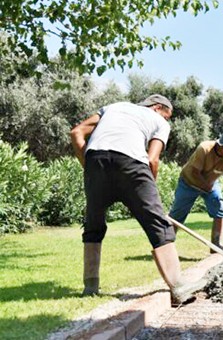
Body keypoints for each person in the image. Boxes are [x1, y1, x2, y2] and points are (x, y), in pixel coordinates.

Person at [70, 94, 201, 306]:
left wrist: (90, 167)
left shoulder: (114, 106)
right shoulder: (159, 122)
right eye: (167, 116)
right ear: (158, 108)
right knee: (158, 224)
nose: (167, 121)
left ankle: (90, 287)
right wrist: (150, 193)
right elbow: (152, 159)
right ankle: (178, 287)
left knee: (93, 223)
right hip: (131, 163)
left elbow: (76, 132)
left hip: (96, 161)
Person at [169, 131, 223, 253]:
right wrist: (206, 187)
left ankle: (216, 245)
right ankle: (166, 245)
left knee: (220, 211)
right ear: (221, 146)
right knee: (176, 216)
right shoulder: (204, 149)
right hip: (188, 183)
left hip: (211, 184)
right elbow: (194, 172)